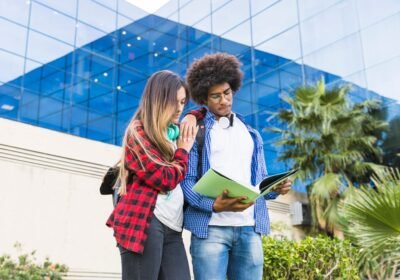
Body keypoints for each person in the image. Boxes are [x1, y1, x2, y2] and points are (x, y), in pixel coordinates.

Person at [180, 53, 292, 280]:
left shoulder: (251, 133)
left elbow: (259, 183)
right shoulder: (197, 131)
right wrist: (213, 205)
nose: (224, 100)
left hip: (249, 230)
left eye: (227, 93)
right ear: (204, 99)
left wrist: (276, 188)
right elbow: (187, 181)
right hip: (210, 231)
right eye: (216, 96)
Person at [106, 70, 197, 280]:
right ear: (159, 100)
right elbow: (165, 179)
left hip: (173, 227)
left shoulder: (172, 132)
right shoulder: (138, 132)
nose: (180, 108)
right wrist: (182, 151)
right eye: (175, 102)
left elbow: (200, 113)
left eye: (183, 102)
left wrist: (192, 115)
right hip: (145, 223)